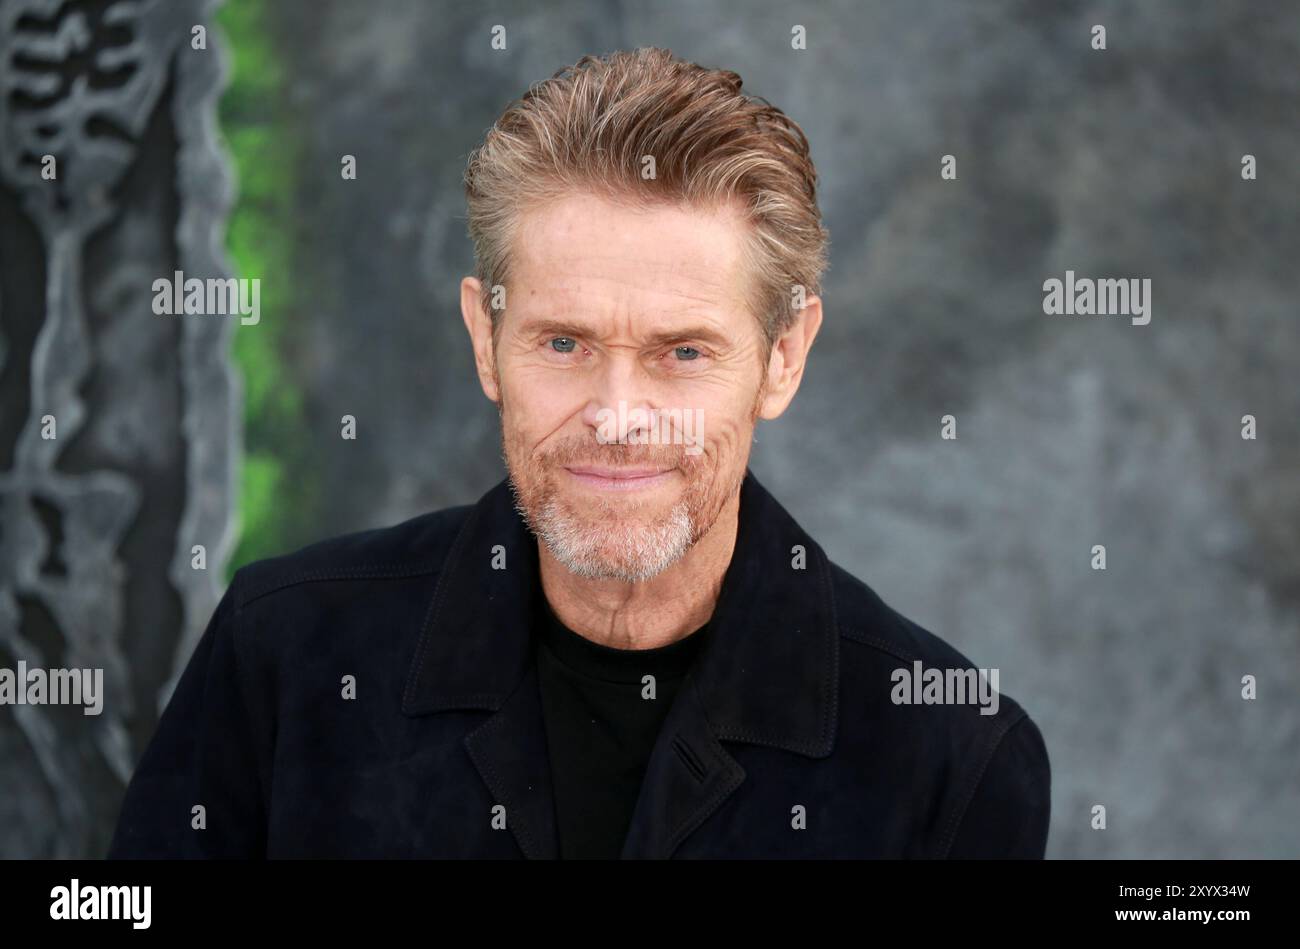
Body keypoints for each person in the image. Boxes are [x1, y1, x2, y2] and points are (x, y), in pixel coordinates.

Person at [109, 46, 1049, 859]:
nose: (617, 415)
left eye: (682, 352)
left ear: (783, 358)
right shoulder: (283, 652)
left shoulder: (949, 753)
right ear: (486, 340)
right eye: (564, 344)